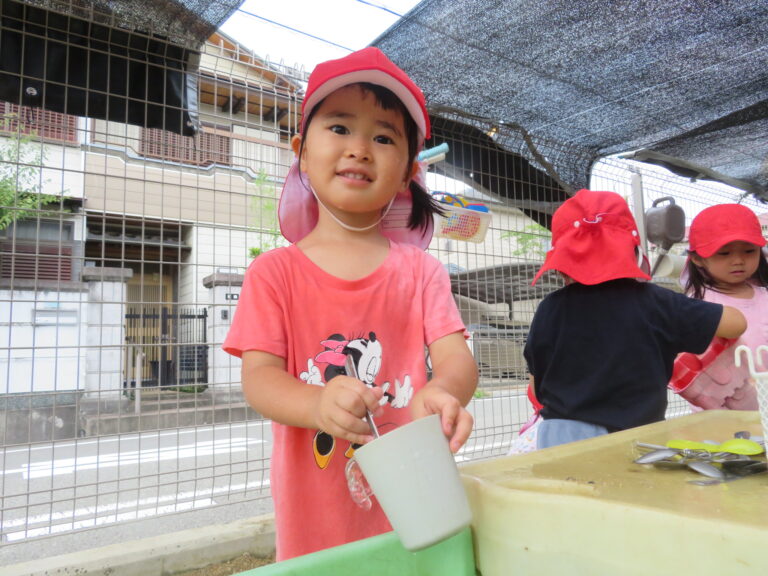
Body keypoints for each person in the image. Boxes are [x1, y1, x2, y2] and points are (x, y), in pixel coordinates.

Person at [222, 47, 478, 561]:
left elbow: (457, 360)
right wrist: (316, 404)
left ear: (407, 172)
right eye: (339, 128)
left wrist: (443, 391)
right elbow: (260, 379)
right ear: (301, 151)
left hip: (418, 511)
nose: (360, 149)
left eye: (383, 137)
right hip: (316, 525)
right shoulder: (274, 273)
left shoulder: (421, 271)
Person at [510, 189, 746, 452]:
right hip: (635, 438)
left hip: (562, 439)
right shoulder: (655, 302)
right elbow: (736, 323)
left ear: (561, 264)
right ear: (633, 252)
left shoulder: (549, 308)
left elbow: (537, 387)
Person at [669, 204, 768, 410]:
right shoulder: (699, 307)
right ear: (697, 258)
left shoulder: (765, 297)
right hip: (726, 418)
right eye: (724, 253)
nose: (738, 260)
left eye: (749, 251)